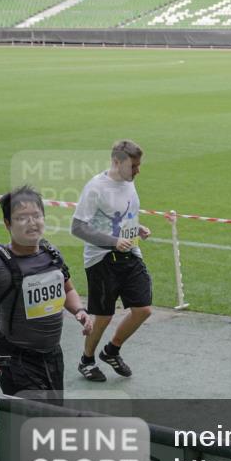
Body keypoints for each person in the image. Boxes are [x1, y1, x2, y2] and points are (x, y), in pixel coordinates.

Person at [0, 186, 93, 396]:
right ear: (7, 223)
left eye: (37, 215)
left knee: (51, 416)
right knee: (32, 421)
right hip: (15, 360)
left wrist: (79, 310)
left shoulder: (50, 253)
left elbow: (67, 289)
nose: (32, 222)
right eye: (22, 217)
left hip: (52, 356)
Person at [70, 139, 152, 381]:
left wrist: (137, 229)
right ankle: (87, 360)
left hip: (130, 254)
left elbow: (122, 217)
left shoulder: (129, 183)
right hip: (101, 259)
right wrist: (113, 241)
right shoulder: (96, 188)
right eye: (134, 165)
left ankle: (112, 350)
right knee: (104, 316)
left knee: (143, 309)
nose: (138, 170)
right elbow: (77, 228)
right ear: (117, 162)